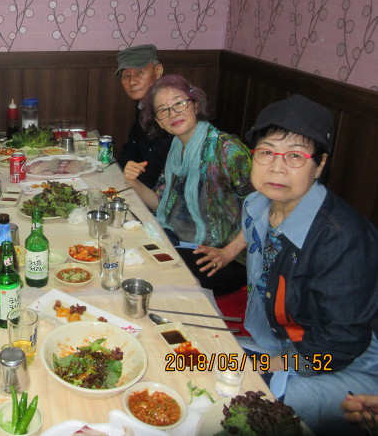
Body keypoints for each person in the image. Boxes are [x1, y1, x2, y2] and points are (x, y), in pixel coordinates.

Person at [237, 94, 378, 435]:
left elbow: (339, 345)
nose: (277, 167)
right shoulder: (257, 205)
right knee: (191, 358)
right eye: (267, 151)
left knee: (245, 403)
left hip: (346, 365)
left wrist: (268, 366)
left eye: (296, 156)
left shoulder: (342, 239)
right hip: (281, 342)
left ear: (320, 165)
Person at [124, 74, 251, 295]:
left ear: (196, 104)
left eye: (179, 103)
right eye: (163, 110)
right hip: (182, 243)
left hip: (220, 258)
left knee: (144, 276)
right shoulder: (176, 149)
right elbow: (160, 202)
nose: (173, 113)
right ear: (158, 121)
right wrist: (132, 181)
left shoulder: (226, 149)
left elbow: (265, 206)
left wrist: (229, 252)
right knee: (124, 250)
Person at [115, 44, 173, 188]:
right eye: (126, 75)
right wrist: (124, 168)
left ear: (158, 71)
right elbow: (131, 148)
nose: (132, 81)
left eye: (139, 72)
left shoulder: (170, 109)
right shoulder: (142, 105)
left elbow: (156, 165)